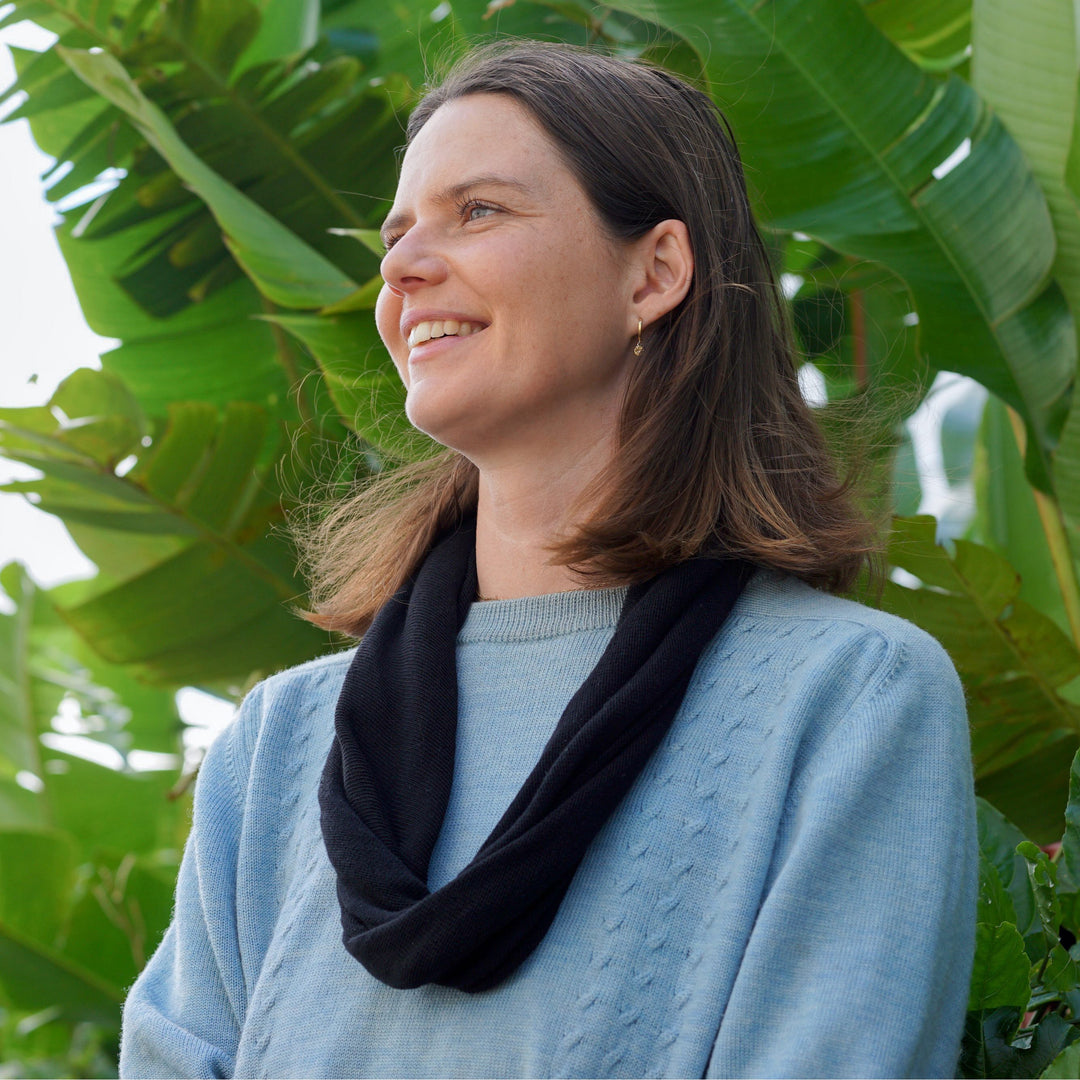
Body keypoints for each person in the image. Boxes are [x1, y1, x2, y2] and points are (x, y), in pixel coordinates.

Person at [119, 40, 976, 1079]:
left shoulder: (846, 697)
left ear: (654, 272)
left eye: (478, 211)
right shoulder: (281, 745)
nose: (400, 266)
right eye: (397, 235)